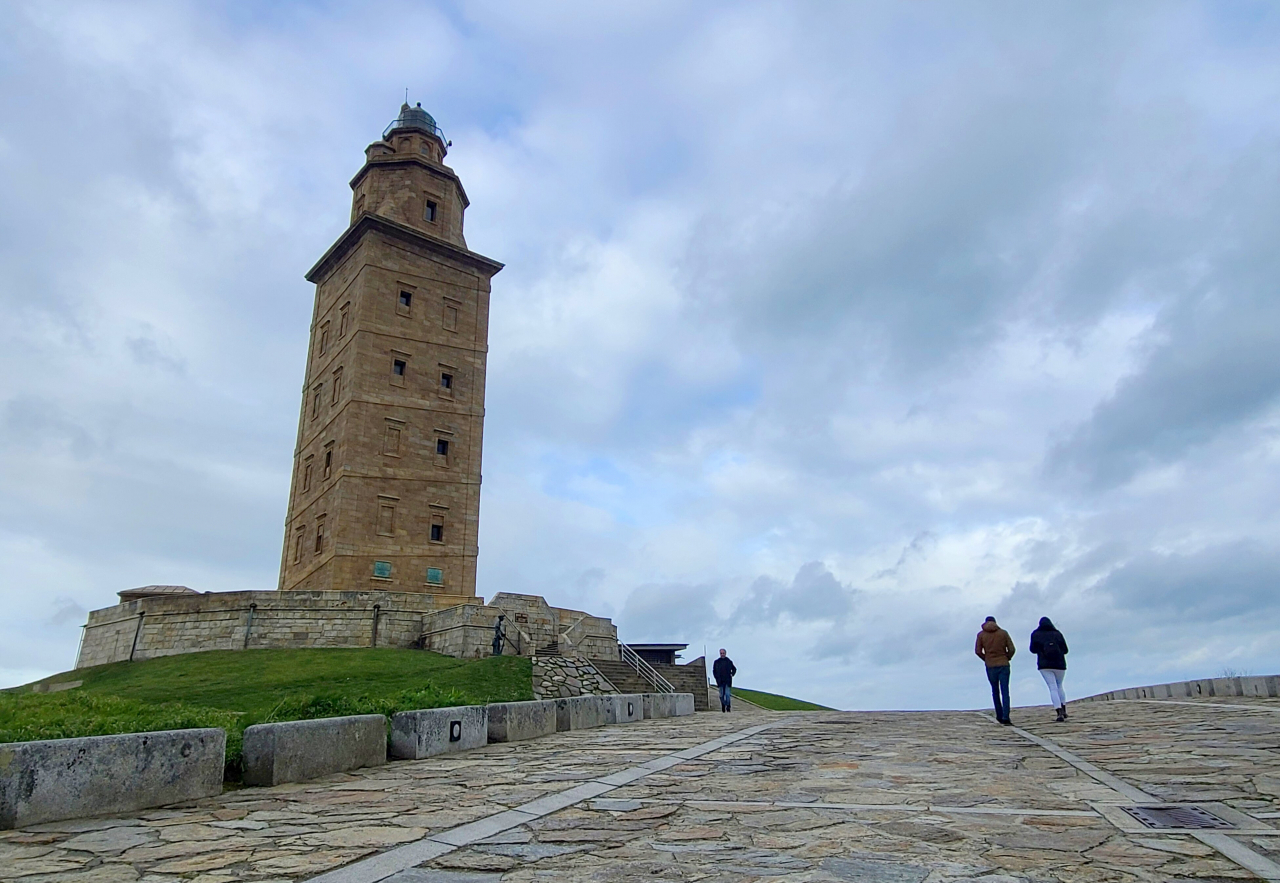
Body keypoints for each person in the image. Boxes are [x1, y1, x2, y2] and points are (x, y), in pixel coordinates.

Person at [975, 616, 1015, 725]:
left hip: (990, 665)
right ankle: (1006, 716)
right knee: (1005, 691)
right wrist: (1007, 657)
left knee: (995, 691)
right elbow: (1011, 649)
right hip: (1003, 664)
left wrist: (986, 658)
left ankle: (999, 715)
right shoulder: (1003, 633)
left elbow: (978, 651)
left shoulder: (981, 635)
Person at [1029, 616, 1069, 721]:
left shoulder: (1036, 634)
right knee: (1060, 686)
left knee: (1052, 687)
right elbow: (1065, 650)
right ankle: (1064, 709)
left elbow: (1032, 649)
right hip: (1059, 664)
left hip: (1044, 665)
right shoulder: (1057, 634)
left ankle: (1058, 711)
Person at [712, 648, 737, 712]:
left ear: (725, 653)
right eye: (721, 653)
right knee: (721, 695)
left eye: (723, 653)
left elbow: (734, 669)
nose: (722, 654)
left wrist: (732, 674)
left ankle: (728, 706)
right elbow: (714, 671)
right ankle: (723, 705)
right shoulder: (717, 662)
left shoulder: (729, 661)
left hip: (727, 681)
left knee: (727, 694)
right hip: (720, 681)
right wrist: (716, 678)